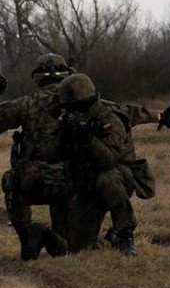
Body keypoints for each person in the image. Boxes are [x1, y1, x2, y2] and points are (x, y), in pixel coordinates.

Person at [0, 53, 170, 260]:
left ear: (36, 77)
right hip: (78, 184)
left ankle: (28, 236)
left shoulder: (27, 104)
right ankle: (113, 235)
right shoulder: (85, 99)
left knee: (12, 180)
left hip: (40, 183)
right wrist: (161, 115)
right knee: (77, 243)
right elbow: (127, 112)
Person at [45, 73, 156, 256]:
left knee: (108, 178)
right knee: (78, 248)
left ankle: (124, 233)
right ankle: (109, 239)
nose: (71, 111)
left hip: (116, 178)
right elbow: (49, 156)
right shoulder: (70, 119)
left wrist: (89, 140)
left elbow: (109, 161)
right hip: (85, 186)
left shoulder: (108, 118)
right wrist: (63, 139)